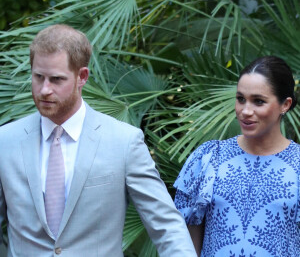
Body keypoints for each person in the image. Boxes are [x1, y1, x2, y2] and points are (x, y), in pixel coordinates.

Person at [0, 24, 197, 257]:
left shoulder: (124, 142)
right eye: (38, 77)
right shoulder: (5, 141)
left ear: (82, 77)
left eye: (56, 79)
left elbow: (166, 225)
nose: (44, 90)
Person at [174, 56, 300, 257]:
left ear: (285, 104)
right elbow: (184, 241)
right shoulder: (209, 158)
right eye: (241, 99)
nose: (245, 111)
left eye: (258, 101)